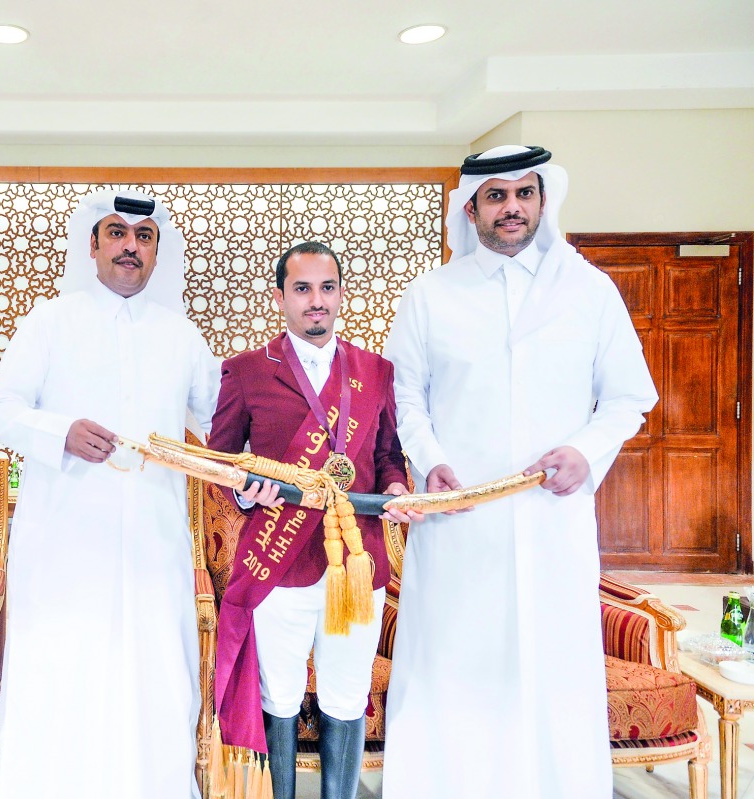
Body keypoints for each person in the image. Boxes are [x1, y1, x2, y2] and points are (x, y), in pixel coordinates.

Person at [382, 145, 658, 798]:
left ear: (542, 200)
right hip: (459, 526)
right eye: (497, 195)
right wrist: (432, 460)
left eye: (524, 194)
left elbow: (629, 396)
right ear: (471, 206)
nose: (512, 207)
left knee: (550, 668)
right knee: (453, 666)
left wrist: (586, 451)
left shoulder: (588, 290)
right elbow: (404, 398)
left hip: (551, 520)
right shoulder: (430, 295)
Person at [0, 190, 220, 798]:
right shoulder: (50, 322)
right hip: (66, 537)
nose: (129, 248)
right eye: (116, 234)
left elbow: (224, 420)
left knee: (154, 672)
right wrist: (60, 431)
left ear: (158, 253)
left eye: (143, 239)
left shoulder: (181, 335)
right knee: (66, 668)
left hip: (152, 539)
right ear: (92, 247)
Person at [208, 241, 420, 799]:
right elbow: (221, 460)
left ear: (341, 293)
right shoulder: (247, 370)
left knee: (347, 696)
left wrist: (396, 485)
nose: (316, 301)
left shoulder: (376, 372)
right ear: (280, 297)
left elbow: (388, 454)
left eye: (327, 288)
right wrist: (247, 495)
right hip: (279, 565)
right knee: (278, 695)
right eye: (302, 289)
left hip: (356, 564)